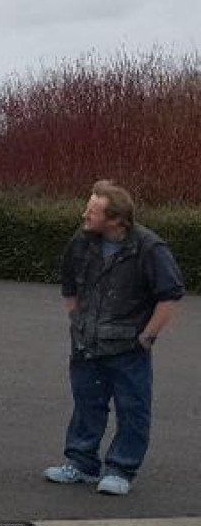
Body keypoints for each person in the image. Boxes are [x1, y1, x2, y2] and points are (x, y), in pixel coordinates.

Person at [44, 180, 183, 495]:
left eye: (92, 211)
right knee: (86, 405)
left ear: (116, 220)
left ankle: (121, 469)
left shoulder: (149, 248)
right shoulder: (81, 241)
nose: (85, 215)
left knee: (132, 410)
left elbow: (170, 295)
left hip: (128, 349)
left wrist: (147, 337)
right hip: (86, 346)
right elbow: (69, 285)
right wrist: (78, 322)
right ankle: (81, 463)